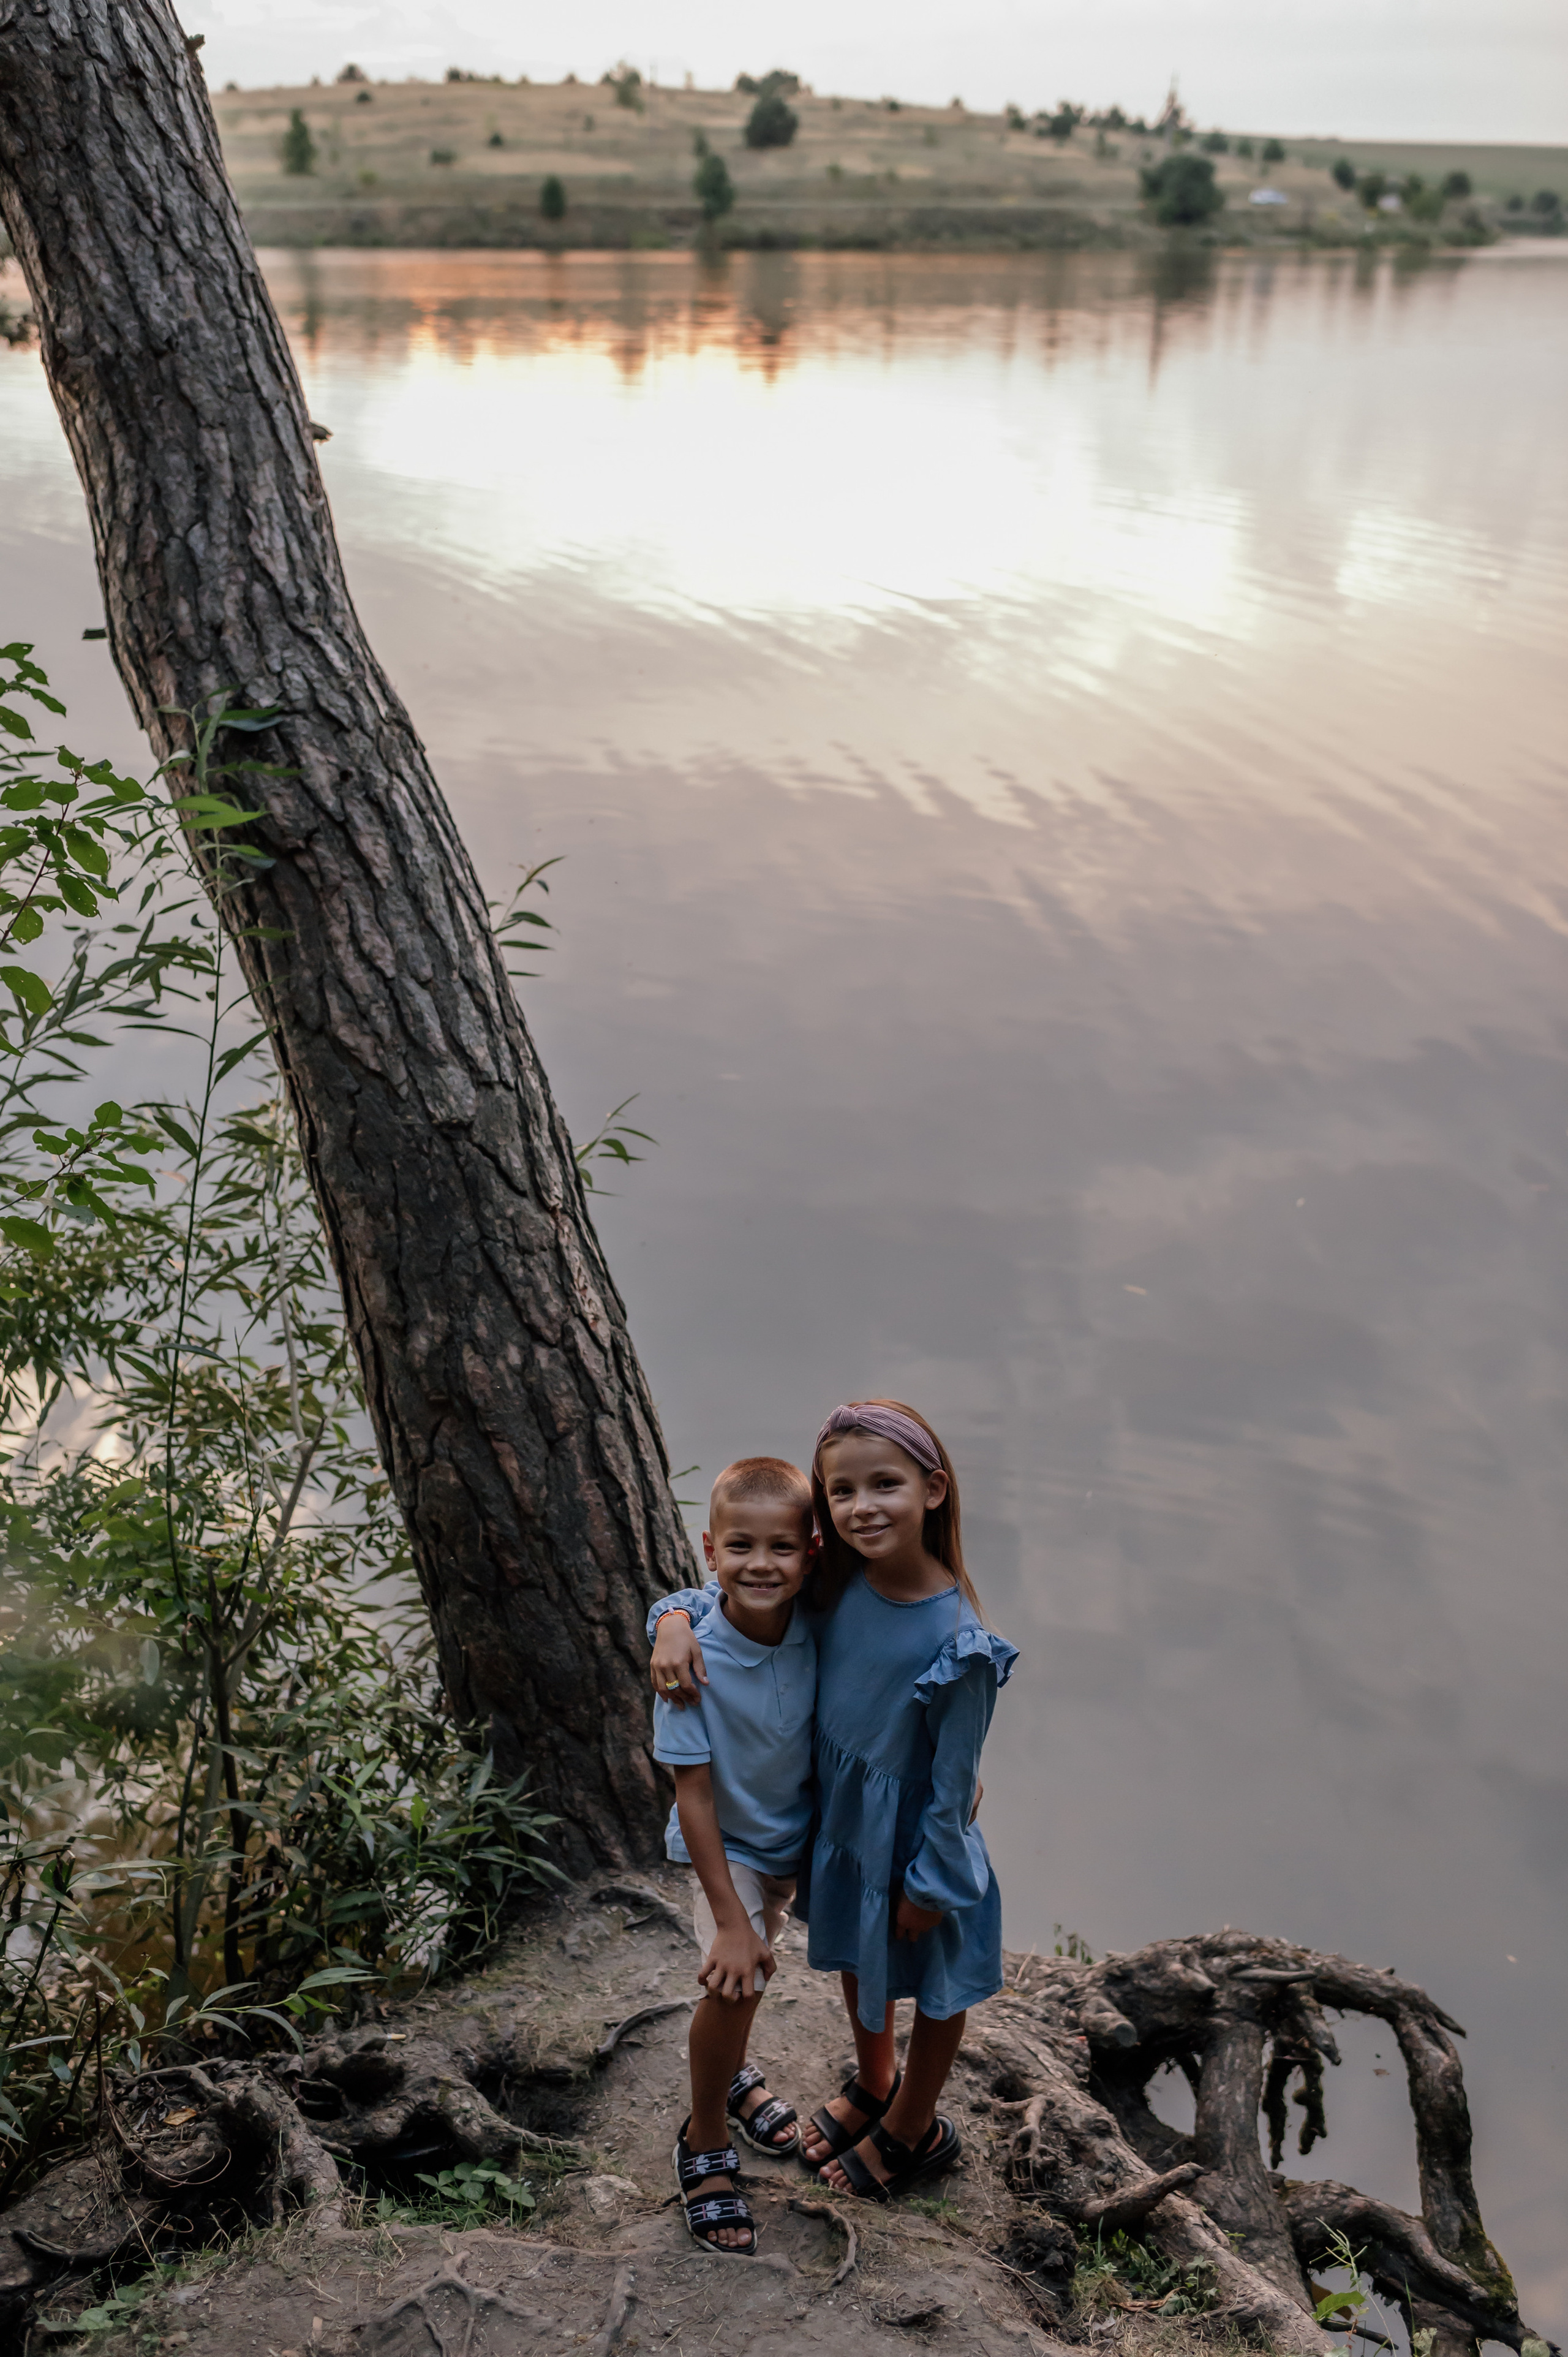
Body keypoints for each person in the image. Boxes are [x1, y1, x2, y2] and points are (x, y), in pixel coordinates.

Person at [650, 1399, 1016, 2203]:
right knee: (858, 1956)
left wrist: (933, 1878)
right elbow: (728, 1589)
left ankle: (912, 2127)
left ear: (934, 1489)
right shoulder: (834, 1587)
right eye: (841, 1491)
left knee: (935, 1982)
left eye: (884, 1484)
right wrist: (670, 1616)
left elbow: (958, 1781)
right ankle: (876, 2079)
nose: (861, 1506)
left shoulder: (958, 1639)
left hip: (921, 1844)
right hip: (846, 1828)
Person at [653, 1456, 817, 2257]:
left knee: (764, 1959)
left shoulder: (823, 1625)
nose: (761, 1564)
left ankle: (736, 2073)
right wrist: (726, 1919)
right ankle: (705, 2135)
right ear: (710, 1550)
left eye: (782, 1547)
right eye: (741, 1547)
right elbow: (695, 1794)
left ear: (811, 1553)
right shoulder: (689, 1662)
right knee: (739, 1973)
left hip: (795, 1846)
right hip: (729, 1851)